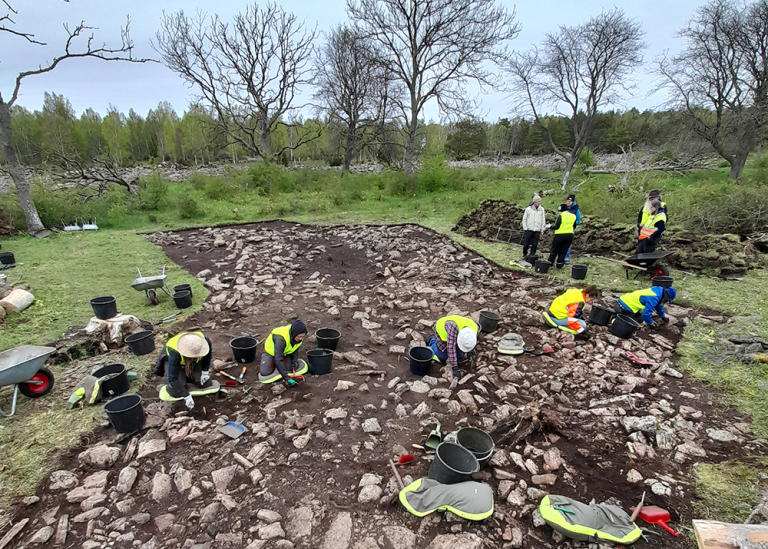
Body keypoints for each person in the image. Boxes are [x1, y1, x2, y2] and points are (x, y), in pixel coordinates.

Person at [159, 331, 213, 409]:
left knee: (205, 384)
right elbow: (172, 379)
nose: (197, 357)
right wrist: (186, 396)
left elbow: (208, 357)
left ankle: (189, 377)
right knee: (176, 392)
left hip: (192, 363)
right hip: (174, 363)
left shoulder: (205, 342)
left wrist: (205, 372)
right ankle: (183, 377)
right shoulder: (174, 351)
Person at [259, 319, 309, 386]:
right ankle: (276, 366)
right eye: (299, 336)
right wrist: (286, 378)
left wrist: (294, 361)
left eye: (302, 337)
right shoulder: (281, 338)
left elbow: (294, 350)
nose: (300, 339)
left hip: (285, 353)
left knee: (289, 368)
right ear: (294, 333)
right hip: (270, 352)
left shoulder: (297, 338)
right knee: (265, 372)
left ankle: (279, 368)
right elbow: (278, 358)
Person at [429, 315, 478, 379]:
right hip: (442, 331)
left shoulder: (474, 328)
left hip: (454, 333)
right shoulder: (453, 327)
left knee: (459, 355)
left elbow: (471, 340)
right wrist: (455, 367)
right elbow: (451, 347)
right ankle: (432, 340)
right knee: (442, 357)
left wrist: (470, 351)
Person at [547, 204, 576, 269]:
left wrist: (549, 226)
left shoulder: (561, 216)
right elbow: (574, 226)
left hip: (560, 235)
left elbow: (557, 227)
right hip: (569, 235)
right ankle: (559, 264)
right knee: (563, 251)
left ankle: (550, 263)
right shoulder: (573, 216)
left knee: (554, 250)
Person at [563, 194, 581, 265]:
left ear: (572, 202)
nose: (568, 202)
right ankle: (561, 256)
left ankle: (566, 258)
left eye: (569, 201)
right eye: (567, 201)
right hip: (563, 227)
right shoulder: (564, 207)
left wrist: (573, 224)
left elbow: (578, 219)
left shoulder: (576, 209)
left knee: (568, 243)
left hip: (571, 228)